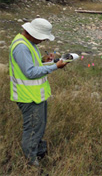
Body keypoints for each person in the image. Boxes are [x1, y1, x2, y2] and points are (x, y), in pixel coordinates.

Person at [9, 18, 68, 166]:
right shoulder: (21, 47)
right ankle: (30, 163)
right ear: (31, 33)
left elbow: (31, 63)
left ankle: (40, 152)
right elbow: (30, 72)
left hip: (35, 95)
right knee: (33, 130)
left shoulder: (28, 43)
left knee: (39, 126)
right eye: (41, 37)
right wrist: (55, 66)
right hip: (28, 97)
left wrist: (44, 60)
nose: (42, 41)